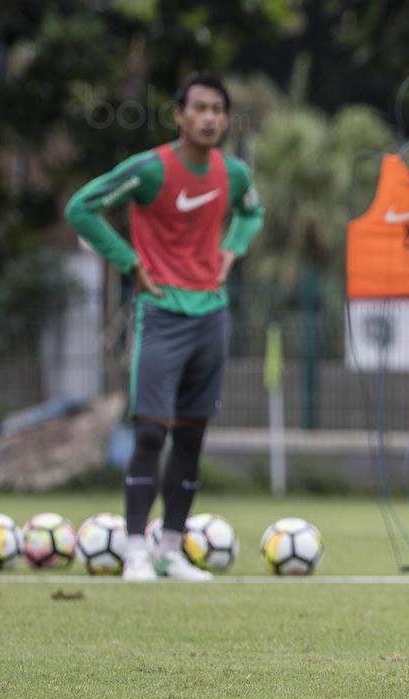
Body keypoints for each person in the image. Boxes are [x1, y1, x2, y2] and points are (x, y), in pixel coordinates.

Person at [65, 73, 263, 581]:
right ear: (179, 115)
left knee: (192, 437)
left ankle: (171, 550)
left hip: (211, 316)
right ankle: (134, 549)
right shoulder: (150, 170)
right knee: (151, 433)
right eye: (199, 108)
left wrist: (231, 250)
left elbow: (251, 213)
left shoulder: (233, 173)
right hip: (160, 314)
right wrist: (128, 261)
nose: (209, 117)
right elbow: (80, 207)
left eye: (218, 109)